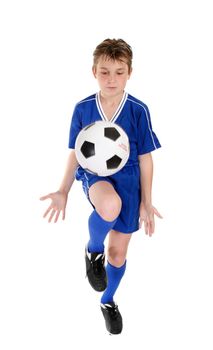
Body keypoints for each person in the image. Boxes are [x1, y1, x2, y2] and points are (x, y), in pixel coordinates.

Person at [40, 38, 162, 335]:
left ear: (130, 73)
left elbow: (145, 159)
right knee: (109, 205)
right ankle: (93, 251)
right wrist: (63, 190)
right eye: (105, 71)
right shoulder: (83, 108)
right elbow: (76, 153)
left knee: (118, 255)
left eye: (119, 72)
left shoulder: (137, 110)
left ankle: (107, 301)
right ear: (94, 71)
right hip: (96, 175)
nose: (112, 79)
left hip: (130, 178)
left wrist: (147, 201)